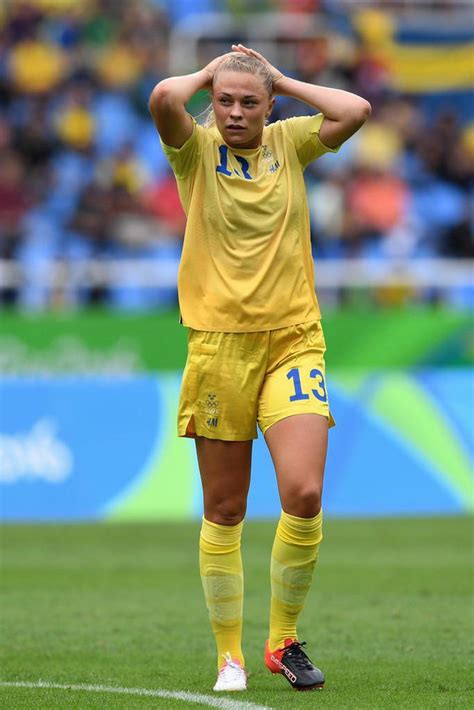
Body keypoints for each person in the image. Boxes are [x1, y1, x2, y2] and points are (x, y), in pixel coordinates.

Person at [149, 44, 370, 693]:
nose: (237, 112)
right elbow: (165, 98)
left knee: (302, 493)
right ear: (211, 103)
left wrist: (281, 79)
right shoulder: (192, 151)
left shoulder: (290, 142)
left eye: (250, 102)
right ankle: (229, 656)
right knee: (225, 507)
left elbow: (355, 108)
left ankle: (282, 639)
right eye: (225, 101)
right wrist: (211, 70)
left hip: (293, 340)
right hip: (218, 345)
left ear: (269, 104)